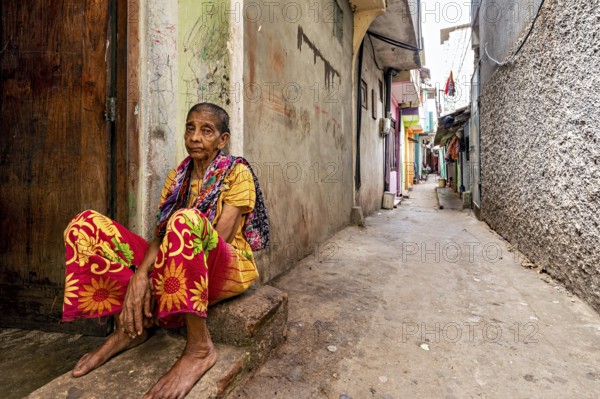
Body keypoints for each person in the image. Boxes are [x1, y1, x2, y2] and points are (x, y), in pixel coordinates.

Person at [61, 102, 269, 398]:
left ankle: (199, 348)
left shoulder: (237, 173)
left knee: (185, 220)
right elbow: (161, 234)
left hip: (224, 262)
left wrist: (158, 273)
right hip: (177, 255)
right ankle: (131, 328)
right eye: (190, 128)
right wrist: (141, 277)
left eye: (206, 130)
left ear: (223, 140)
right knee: (85, 226)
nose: (195, 137)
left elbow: (216, 238)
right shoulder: (178, 177)